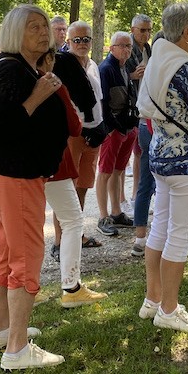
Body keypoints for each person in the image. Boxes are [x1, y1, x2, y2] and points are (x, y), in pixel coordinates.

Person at [0, 5, 70, 370]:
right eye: (33, 26)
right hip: (16, 175)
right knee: (27, 255)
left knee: (5, 252)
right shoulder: (11, 70)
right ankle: (16, 350)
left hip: (15, 175)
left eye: (44, 25)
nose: (42, 31)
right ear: (16, 33)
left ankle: (3, 329)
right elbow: (0, 128)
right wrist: (39, 94)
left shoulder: (24, 69)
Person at [135, 2, 188, 333]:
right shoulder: (184, 67)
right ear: (186, 33)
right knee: (179, 236)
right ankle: (169, 309)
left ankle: (153, 300)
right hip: (187, 162)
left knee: (160, 229)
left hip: (160, 155)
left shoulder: (157, 61)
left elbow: (144, 107)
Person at [36, 48, 109, 308]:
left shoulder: (20, 77)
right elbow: (75, 126)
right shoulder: (56, 86)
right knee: (73, 219)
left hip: (20, 165)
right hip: (53, 161)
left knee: (23, 226)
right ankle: (71, 286)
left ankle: (25, 287)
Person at [64, 21, 109, 234]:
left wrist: (102, 127)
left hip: (95, 133)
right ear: (68, 41)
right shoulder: (62, 65)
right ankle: (60, 240)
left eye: (86, 39)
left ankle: (77, 233)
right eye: (77, 40)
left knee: (83, 186)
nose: (82, 43)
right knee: (67, 188)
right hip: (74, 135)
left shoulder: (92, 65)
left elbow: (99, 100)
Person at [95, 31, 139, 234]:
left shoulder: (124, 67)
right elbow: (102, 103)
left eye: (129, 46)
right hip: (113, 130)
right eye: (122, 45)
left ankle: (116, 212)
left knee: (118, 171)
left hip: (127, 127)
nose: (126, 49)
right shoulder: (106, 69)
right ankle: (103, 217)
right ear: (111, 47)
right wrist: (112, 128)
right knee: (104, 172)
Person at [126, 13, 154, 204]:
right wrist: (131, 76)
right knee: (137, 152)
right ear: (133, 30)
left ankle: (140, 192)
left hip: (146, 104)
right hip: (132, 107)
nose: (146, 34)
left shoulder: (148, 50)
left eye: (149, 30)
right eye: (142, 30)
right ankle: (135, 194)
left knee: (142, 151)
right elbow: (115, 75)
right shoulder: (127, 49)